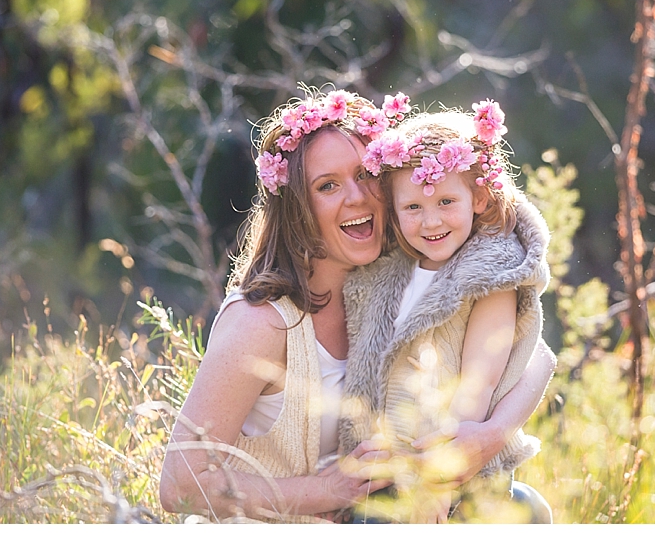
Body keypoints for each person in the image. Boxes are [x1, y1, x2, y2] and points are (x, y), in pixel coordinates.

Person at [158, 88, 555, 523]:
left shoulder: (400, 282)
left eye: (365, 175)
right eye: (327, 186)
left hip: (388, 510)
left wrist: (492, 435)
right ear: (298, 208)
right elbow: (181, 483)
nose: (357, 197)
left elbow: (532, 357)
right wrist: (327, 490)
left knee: (527, 509)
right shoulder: (261, 324)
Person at [339, 102, 553, 523]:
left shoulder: (491, 275)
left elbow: (478, 382)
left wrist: (439, 481)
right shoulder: (388, 271)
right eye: (413, 207)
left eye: (446, 201)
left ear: (477, 197)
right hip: (392, 474)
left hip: (462, 479)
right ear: (394, 209)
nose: (430, 221)